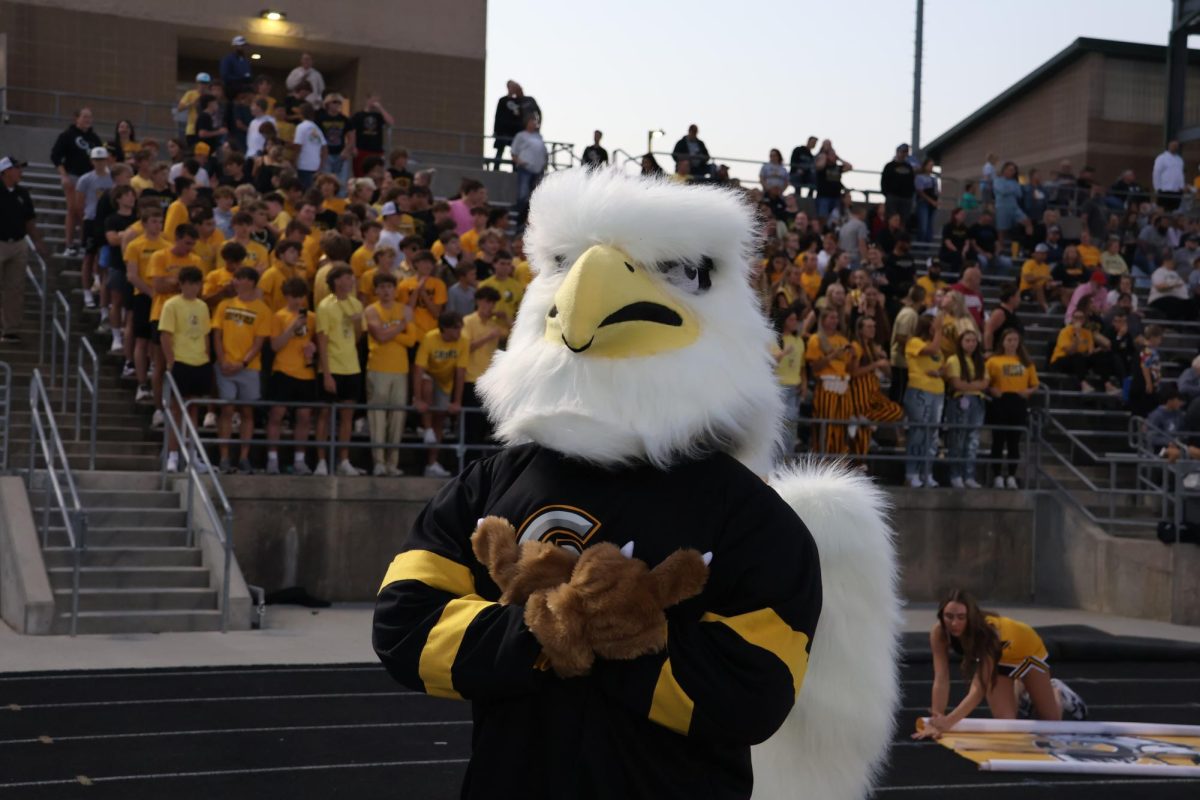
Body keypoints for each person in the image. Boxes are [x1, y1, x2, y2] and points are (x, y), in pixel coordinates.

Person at [912, 589, 1085, 741]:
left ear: (970, 617)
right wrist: (936, 719)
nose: (954, 623)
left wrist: (948, 722)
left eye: (961, 617)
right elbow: (941, 678)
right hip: (1000, 661)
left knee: (1051, 723)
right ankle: (1022, 691)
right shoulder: (939, 633)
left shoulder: (988, 633)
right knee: (1007, 724)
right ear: (941, 615)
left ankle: (1057, 691)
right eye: (949, 616)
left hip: (1027, 653)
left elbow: (978, 689)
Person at [365, 272, 419, 476]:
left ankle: (392, 463)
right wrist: (401, 326)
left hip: (400, 369)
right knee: (377, 417)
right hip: (378, 368)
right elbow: (379, 336)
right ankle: (378, 462)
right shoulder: (371, 310)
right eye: (382, 287)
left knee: (397, 418)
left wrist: (392, 332)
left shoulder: (405, 309)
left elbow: (410, 340)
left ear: (395, 290)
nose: (386, 291)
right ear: (376, 290)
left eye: (389, 287)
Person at [159, 266, 212, 473]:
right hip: (180, 361)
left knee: (193, 409)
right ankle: (172, 455)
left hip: (199, 362)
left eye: (196, 284)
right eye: (188, 283)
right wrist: (171, 360)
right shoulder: (171, 305)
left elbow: (205, 333)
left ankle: (192, 456)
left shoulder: (203, 306)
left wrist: (206, 356)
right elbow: (165, 334)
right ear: (181, 284)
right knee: (176, 410)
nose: (192, 288)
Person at [315, 263, 366, 477]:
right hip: (332, 366)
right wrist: (326, 374)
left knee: (347, 416)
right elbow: (322, 341)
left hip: (351, 366)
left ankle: (343, 460)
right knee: (325, 415)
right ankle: (321, 461)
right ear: (336, 281)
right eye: (347, 277)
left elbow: (358, 337)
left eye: (351, 277)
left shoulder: (355, 304)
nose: (351, 281)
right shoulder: (325, 306)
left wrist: (355, 323)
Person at [266, 277, 318, 475]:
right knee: (276, 416)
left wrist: (313, 349)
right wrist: (293, 327)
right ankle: (272, 459)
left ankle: (299, 460)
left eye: (300, 297)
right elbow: (275, 345)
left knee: (304, 417)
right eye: (293, 297)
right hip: (283, 371)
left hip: (305, 373)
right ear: (286, 297)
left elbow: (317, 343)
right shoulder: (278, 317)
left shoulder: (312, 318)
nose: (297, 301)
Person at [413, 310, 469, 477]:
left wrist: (457, 401)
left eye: (461, 327)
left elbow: (461, 372)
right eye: (456, 328)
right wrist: (417, 398)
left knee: (440, 420)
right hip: (428, 378)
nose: (460, 331)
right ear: (444, 329)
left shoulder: (463, 341)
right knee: (427, 383)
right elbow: (418, 369)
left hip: (446, 383)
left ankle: (432, 464)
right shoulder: (430, 338)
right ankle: (426, 428)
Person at [985, 328, 1038, 489]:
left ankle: (1012, 475)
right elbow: (986, 381)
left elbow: (1035, 384)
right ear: (1002, 342)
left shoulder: (1026, 362)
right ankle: (997, 475)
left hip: (1018, 401)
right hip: (1001, 401)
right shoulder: (994, 361)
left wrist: (1027, 392)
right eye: (1009, 340)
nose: (1012, 343)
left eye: (1015, 340)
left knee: (1014, 441)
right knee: (998, 440)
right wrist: (991, 389)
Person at [0, 156, 44, 343]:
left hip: (18, 242)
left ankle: (10, 328)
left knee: (15, 288)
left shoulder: (23, 193)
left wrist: (38, 241)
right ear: (5, 171)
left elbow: (29, 220)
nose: (20, 172)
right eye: (17, 168)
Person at [847, 316, 903, 458]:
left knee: (896, 411)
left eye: (874, 326)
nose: (873, 329)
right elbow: (853, 373)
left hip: (873, 390)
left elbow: (889, 374)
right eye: (868, 326)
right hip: (860, 391)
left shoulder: (874, 347)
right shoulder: (856, 346)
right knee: (862, 436)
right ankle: (861, 466)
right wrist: (875, 365)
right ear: (860, 330)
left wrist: (883, 361)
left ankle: (864, 419)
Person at [50, 108, 103, 256]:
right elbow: (55, 156)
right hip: (73, 175)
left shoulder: (94, 138)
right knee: (73, 208)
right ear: (77, 118)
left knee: (86, 211)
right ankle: (69, 244)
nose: (88, 120)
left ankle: (84, 242)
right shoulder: (67, 135)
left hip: (90, 178)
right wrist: (64, 176)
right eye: (85, 117)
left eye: (90, 117)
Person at [461, 285, 505, 460]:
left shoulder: (495, 324)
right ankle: (467, 465)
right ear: (478, 301)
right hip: (471, 380)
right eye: (487, 302)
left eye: (493, 303)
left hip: (490, 383)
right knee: (471, 427)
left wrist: (507, 318)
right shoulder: (468, 321)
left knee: (487, 426)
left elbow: (515, 336)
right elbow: (466, 348)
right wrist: (487, 337)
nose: (490, 307)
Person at [903, 314, 945, 488]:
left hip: (937, 392)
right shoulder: (914, 342)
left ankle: (926, 473)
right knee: (919, 431)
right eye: (933, 327)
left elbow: (940, 364)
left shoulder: (937, 345)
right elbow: (932, 350)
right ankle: (911, 473)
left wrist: (940, 372)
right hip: (919, 391)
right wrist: (939, 330)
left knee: (932, 434)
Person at [806, 308, 854, 455]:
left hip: (843, 387)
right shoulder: (816, 339)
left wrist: (853, 355)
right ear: (823, 320)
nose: (835, 321)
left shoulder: (842, 340)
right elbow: (814, 367)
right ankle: (822, 461)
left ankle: (839, 462)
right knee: (825, 426)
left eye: (836, 318)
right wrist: (833, 355)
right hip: (826, 387)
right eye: (831, 317)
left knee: (842, 426)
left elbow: (850, 366)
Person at [945, 330, 989, 488]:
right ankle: (955, 475)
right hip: (959, 401)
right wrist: (973, 386)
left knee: (973, 440)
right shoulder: (954, 360)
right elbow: (956, 383)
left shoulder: (980, 361)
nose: (971, 343)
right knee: (958, 438)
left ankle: (968, 475)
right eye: (967, 340)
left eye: (973, 341)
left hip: (977, 401)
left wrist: (969, 386)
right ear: (961, 342)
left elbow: (985, 383)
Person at [1050, 308, 1109, 393]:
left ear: (1084, 320)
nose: (1078, 320)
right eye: (1076, 317)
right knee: (1077, 356)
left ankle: (1107, 384)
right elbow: (1070, 351)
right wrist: (1077, 335)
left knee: (1099, 356)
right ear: (1072, 319)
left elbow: (1090, 352)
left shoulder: (1087, 333)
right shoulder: (1065, 331)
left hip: (1079, 360)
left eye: (1081, 318)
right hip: (1061, 360)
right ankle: (1083, 384)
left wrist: (1099, 349)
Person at [491, 81, 541, 170]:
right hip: (503, 131)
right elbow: (497, 116)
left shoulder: (518, 101)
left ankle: (515, 169)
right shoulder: (503, 100)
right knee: (500, 150)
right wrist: (495, 130)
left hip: (514, 131)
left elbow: (523, 115)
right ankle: (496, 167)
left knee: (515, 151)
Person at [888, 285, 926, 402]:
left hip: (904, 359)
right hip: (900, 359)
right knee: (898, 394)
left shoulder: (911, 312)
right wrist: (916, 347)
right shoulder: (909, 314)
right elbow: (900, 336)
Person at [511, 115, 547, 221]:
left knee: (535, 193)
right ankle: (519, 214)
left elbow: (544, 151)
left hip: (538, 169)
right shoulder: (521, 135)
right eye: (532, 121)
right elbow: (514, 151)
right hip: (525, 168)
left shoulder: (538, 136)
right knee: (523, 192)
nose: (534, 124)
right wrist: (519, 162)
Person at [350, 95, 394, 177]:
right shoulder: (358, 115)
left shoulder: (379, 116)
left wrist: (380, 108)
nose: (374, 102)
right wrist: (353, 147)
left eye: (377, 100)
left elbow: (391, 122)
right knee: (360, 173)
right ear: (367, 100)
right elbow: (353, 132)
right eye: (373, 100)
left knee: (376, 173)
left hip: (376, 149)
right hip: (362, 148)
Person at [880, 144, 915, 227]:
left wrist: (910, 195)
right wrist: (887, 194)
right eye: (902, 152)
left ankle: (901, 237)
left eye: (905, 152)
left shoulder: (909, 167)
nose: (903, 154)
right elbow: (884, 181)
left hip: (906, 198)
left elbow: (912, 181)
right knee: (891, 218)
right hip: (893, 197)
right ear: (897, 152)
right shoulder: (889, 166)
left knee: (904, 220)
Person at [293, 105, 327, 190]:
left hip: (303, 165)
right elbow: (325, 148)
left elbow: (298, 145)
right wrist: (321, 165)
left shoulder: (301, 127)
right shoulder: (317, 129)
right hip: (315, 165)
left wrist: (294, 160)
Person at [1018, 243, 1058, 313]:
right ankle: (1046, 307)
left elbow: (1047, 282)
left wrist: (1050, 284)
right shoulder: (1029, 263)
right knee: (1038, 287)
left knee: (1060, 290)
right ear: (1035, 254)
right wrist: (1042, 277)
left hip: (1042, 291)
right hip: (1027, 291)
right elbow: (1028, 280)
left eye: (1044, 254)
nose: (1043, 256)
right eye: (1041, 253)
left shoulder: (1046, 267)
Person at [220, 36, 253, 109]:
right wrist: (241, 79)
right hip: (232, 95)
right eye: (241, 46)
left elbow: (248, 76)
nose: (243, 48)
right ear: (235, 46)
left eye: (244, 46)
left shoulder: (246, 61)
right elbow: (225, 76)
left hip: (245, 95)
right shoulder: (228, 59)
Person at [1153, 140, 1186, 211]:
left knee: (1174, 211)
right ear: (1169, 146)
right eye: (1173, 145)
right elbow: (1156, 173)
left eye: (1176, 146)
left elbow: (1181, 174)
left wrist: (1182, 186)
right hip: (1164, 189)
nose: (1175, 147)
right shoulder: (1161, 158)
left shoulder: (1179, 160)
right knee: (1163, 210)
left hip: (1177, 191)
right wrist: (1157, 188)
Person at [914, 158, 939, 243]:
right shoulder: (919, 177)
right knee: (923, 226)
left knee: (929, 227)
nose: (931, 167)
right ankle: (920, 247)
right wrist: (931, 201)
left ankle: (927, 248)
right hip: (923, 203)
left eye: (932, 165)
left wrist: (936, 201)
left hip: (932, 204)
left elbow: (936, 192)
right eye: (930, 165)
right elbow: (920, 192)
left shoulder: (934, 178)